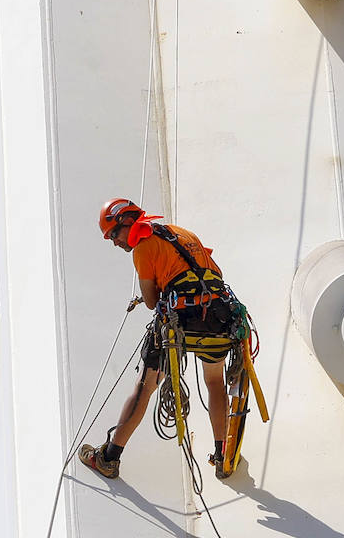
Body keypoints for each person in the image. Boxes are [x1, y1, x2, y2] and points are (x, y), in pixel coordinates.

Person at [79, 198, 242, 480]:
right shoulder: (181, 233)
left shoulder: (142, 247)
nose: (114, 243)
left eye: (113, 235)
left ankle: (109, 458)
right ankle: (222, 456)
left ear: (126, 222)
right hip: (217, 316)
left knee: (146, 385)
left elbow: (153, 301)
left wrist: (158, 289)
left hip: (181, 321)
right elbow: (214, 271)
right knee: (215, 381)